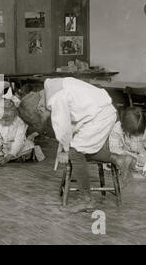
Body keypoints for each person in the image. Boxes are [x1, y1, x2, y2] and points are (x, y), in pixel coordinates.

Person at [18, 77, 132, 213]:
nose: (46, 117)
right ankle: (119, 159)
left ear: (40, 108)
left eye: (42, 117)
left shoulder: (56, 99)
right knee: (80, 152)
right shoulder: (52, 86)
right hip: (99, 112)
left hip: (98, 117)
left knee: (75, 153)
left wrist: (65, 150)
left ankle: (86, 199)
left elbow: (63, 128)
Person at [0, 88, 44, 165]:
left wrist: (8, 157)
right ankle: (10, 157)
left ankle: (8, 156)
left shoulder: (20, 121)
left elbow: (19, 141)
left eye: (8, 109)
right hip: (3, 145)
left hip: (15, 145)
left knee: (28, 146)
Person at [109, 106, 146, 178]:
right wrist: (129, 155)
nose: (136, 137)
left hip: (141, 156)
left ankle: (144, 170)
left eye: (139, 133)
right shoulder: (117, 129)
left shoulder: (144, 130)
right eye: (133, 134)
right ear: (124, 126)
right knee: (119, 161)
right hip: (125, 156)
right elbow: (114, 148)